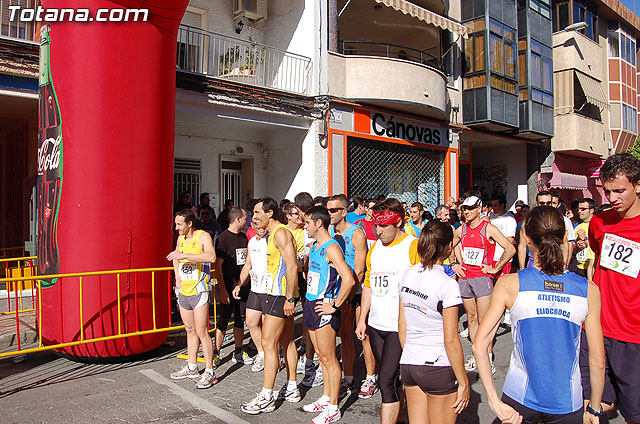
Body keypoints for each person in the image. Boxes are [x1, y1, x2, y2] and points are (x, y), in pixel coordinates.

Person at [472, 206, 605, 424]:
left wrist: (494, 401)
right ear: (565, 236)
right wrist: (595, 407)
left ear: (526, 237)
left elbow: (479, 345)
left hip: (518, 397)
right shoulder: (589, 290)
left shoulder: (509, 284)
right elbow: (598, 361)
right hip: (566, 401)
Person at [581, 153, 640, 423]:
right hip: (596, 327)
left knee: (634, 412)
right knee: (588, 404)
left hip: (633, 333)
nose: (612, 198)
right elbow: (597, 256)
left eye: (619, 191)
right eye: (607, 192)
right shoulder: (599, 222)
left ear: (637, 185)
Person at [355, 198, 421, 424]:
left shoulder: (412, 246)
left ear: (399, 222)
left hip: (399, 327)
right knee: (392, 380)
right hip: (376, 324)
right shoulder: (374, 248)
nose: (378, 231)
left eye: (384, 226)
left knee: (385, 380)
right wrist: (362, 319)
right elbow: (369, 285)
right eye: (376, 225)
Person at [398, 221, 469, 424]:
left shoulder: (408, 274)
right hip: (437, 363)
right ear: (448, 247)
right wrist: (463, 382)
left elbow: (402, 324)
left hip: (410, 361)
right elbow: (451, 339)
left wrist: (411, 352)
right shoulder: (447, 284)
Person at [242, 197, 300, 415]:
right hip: (276, 293)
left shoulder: (280, 233)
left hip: (278, 295)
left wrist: (289, 298)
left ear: (270, 213)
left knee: (268, 344)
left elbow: (292, 266)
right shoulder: (274, 233)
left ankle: (267, 395)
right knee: (287, 341)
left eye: (258, 213)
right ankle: (292, 387)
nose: (255, 217)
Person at [301, 206, 356, 424]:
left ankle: (334, 407)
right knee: (321, 357)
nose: (304, 226)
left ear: (318, 223)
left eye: (307, 223)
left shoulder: (332, 248)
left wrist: (335, 305)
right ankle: (326, 397)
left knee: (329, 358)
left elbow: (348, 279)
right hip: (311, 303)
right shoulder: (315, 246)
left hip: (324, 307)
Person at [453, 194, 516, 373]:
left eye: (470, 208)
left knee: (484, 320)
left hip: (482, 278)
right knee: (471, 319)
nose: (466, 212)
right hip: (465, 277)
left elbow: (510, 248)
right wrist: (455, 264)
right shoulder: (461, 229)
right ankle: (477, 355)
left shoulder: (489, 229)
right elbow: (451, 245)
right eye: (464, 209)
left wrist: (495, 268)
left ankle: (487, 358)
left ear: (479, 209)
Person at [326, 194, 374, 399]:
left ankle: (370, 377)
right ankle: (348, 378)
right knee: (345, 336)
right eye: (328, 210)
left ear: (344, 212)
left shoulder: (357, 233)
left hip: (357, 292)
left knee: (363, 335)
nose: (329, 214)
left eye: (333, 210)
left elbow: (360, 271)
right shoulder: (331, 232)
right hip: (340, 292)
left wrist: (347, 297)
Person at [168, 209, 218, 389]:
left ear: (189, 223)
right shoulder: (181, 239)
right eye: (175, 224)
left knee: (202, 331)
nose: (176, 228)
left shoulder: (202, 236)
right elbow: (176, 256)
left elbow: (211, 256)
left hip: (199, 289)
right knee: (189, 329)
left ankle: (210, 371)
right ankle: (192, 366)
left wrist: (185, 256)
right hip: (184, 290)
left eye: (179, 224)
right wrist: (177, 276)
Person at [213, 208, 253, 366]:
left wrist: (245, 281)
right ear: (238, 219)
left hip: (242, 286)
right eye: (245, 218)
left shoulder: (244, 238)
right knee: (223, 320)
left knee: (239, 319)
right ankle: (216, 351)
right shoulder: (223, 238)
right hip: (228, 287)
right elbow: (218, 266)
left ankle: (238, 350)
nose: (247, 221)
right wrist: (223, 290)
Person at [233, 218, 270, 373]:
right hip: (255, 289)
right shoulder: (252, 242)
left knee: (268, 327)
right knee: (251, 322)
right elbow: (248, 264)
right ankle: (262, 354)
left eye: (262, 223)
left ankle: (273, 354)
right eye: (255, 224)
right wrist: (239, 284)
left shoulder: (273, 239)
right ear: (252, 226)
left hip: (270, 290)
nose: (259, 227)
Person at [518, 191, 576, 270]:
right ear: (537, 203)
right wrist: (522, 269)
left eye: (548, 203)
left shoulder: (563, 220)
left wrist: (564, 266)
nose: (545, 205)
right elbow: (522, 246)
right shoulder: (529, 221)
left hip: (556, 262)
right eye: (542, 203)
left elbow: (567, 244)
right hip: (534, 263)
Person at [489, 194, 517, 276]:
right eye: (492, 205)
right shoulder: (491, 216)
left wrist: (502, 259)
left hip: (502, 259)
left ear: (502, 205)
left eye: (495, 205)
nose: (493, 208)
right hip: (491, 258)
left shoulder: (509, 219)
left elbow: (510, 240)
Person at [573, 198, 596, 278]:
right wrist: (577, 245)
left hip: (593, 267)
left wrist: (585, 240)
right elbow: (572, 249)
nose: (580, 211)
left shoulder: (597, 224)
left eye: (583, 209)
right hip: (580, 267)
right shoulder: (577, 226)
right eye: (578, 209)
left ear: (591, 210)